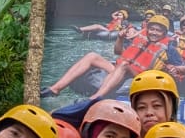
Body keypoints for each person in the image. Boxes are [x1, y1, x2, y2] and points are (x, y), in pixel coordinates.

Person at [43, 14, 172, 101]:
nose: (153, 33)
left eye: (158, 30)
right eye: (152, 29)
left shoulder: (168, 48)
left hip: (138, 76)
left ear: (164, 33)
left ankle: (94, 98)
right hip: (119, 68)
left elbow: (179, 69)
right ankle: (55, 89)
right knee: (92, 56)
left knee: (124, 65)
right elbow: (118, 52)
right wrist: (120, 38)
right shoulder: (140, 38)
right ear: (147, 29)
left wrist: (175, 70)